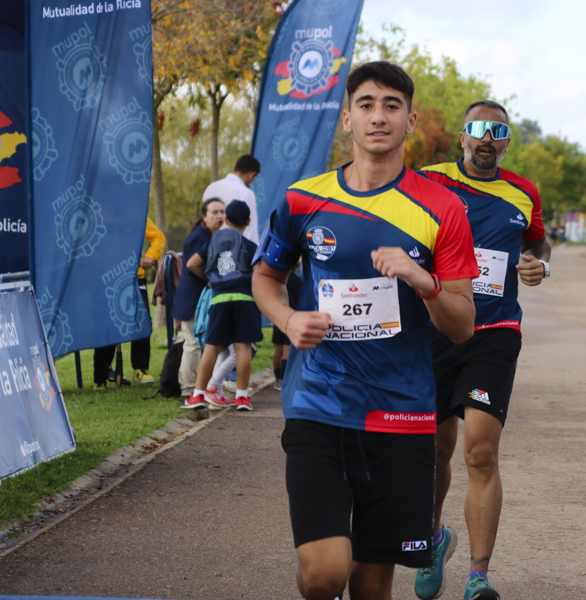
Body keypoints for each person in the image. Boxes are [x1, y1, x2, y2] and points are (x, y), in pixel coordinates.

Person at [251, 61, 478, 600]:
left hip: (401, 413)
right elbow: (265, 277)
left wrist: (423, 280)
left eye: (392, 107)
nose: (380, 117)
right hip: (318, 405)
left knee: (372, 586)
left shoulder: (442, 208)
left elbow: (463, 324)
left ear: (411, 120)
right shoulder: (302, 200)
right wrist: (287, 319)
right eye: (368, 105)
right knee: (325, 572)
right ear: (348, 120)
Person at [418, 99, 550, 600]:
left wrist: (539, 264)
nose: (487, 138)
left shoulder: (524, 193)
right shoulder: (428, 181)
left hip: (494, 332)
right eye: (478, 129)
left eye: (498, 130)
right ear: (462, 137)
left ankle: (478, 574)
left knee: (479, 451)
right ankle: (432, 539)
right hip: (434, 326)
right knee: (434, 450)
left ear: (507, 140)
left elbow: (536, 244)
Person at [182, 201, 263, 412]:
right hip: (244, 300)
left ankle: (199, 394)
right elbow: (259, 273)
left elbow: (191, 264)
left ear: (226, 220)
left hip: (219, 299)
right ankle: (242, 397)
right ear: (248, 222)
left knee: (212, 347)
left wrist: (211, 278)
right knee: (243, 347)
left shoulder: (213, 243)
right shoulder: (251, 246)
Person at [93, 218, 166, 389]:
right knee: (107, 326)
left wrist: (150, 256)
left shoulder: (136, 212)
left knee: (141, 321)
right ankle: (101, 377)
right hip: (106, 278)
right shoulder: (98, 214)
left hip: (134, 278)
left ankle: (140, 369)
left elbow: (158, 237)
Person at [171, 198, 225, 398]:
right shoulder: (199, 237)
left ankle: (201, 385)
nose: (220, 216)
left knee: (199, 343)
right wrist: (211, 278)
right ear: (204, 216)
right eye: (215, 212)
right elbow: (192, 265)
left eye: (222, 212)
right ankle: (188, 389)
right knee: (192, 344)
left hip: (200, 299)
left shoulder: (210, 235)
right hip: (192, 299)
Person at [204, 155, 261, 245]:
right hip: (236, 252)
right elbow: (251, 232)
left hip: (210, 249)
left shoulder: (210, 188)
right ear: (252, 174)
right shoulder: (246, 193)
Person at [270, 263, 303, 391]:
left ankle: (277, 379)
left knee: (278, 350)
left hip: (277, 317)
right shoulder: (296, 281)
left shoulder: (277, 280)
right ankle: (285, 380)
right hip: (291, 317)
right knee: (287, 351)